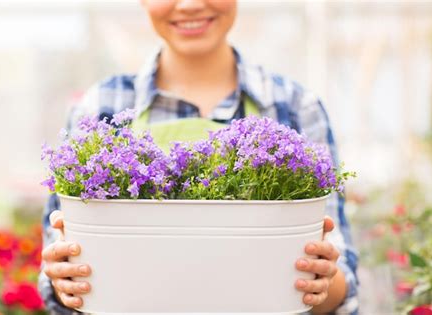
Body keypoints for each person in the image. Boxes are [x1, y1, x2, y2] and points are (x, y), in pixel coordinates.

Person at [38, 0, 359, 314]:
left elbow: (342, 283)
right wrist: (64, 277)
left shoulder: (294, 106)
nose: (190, 5)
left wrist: (320, 281)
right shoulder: (100, 106)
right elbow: (60, 272)